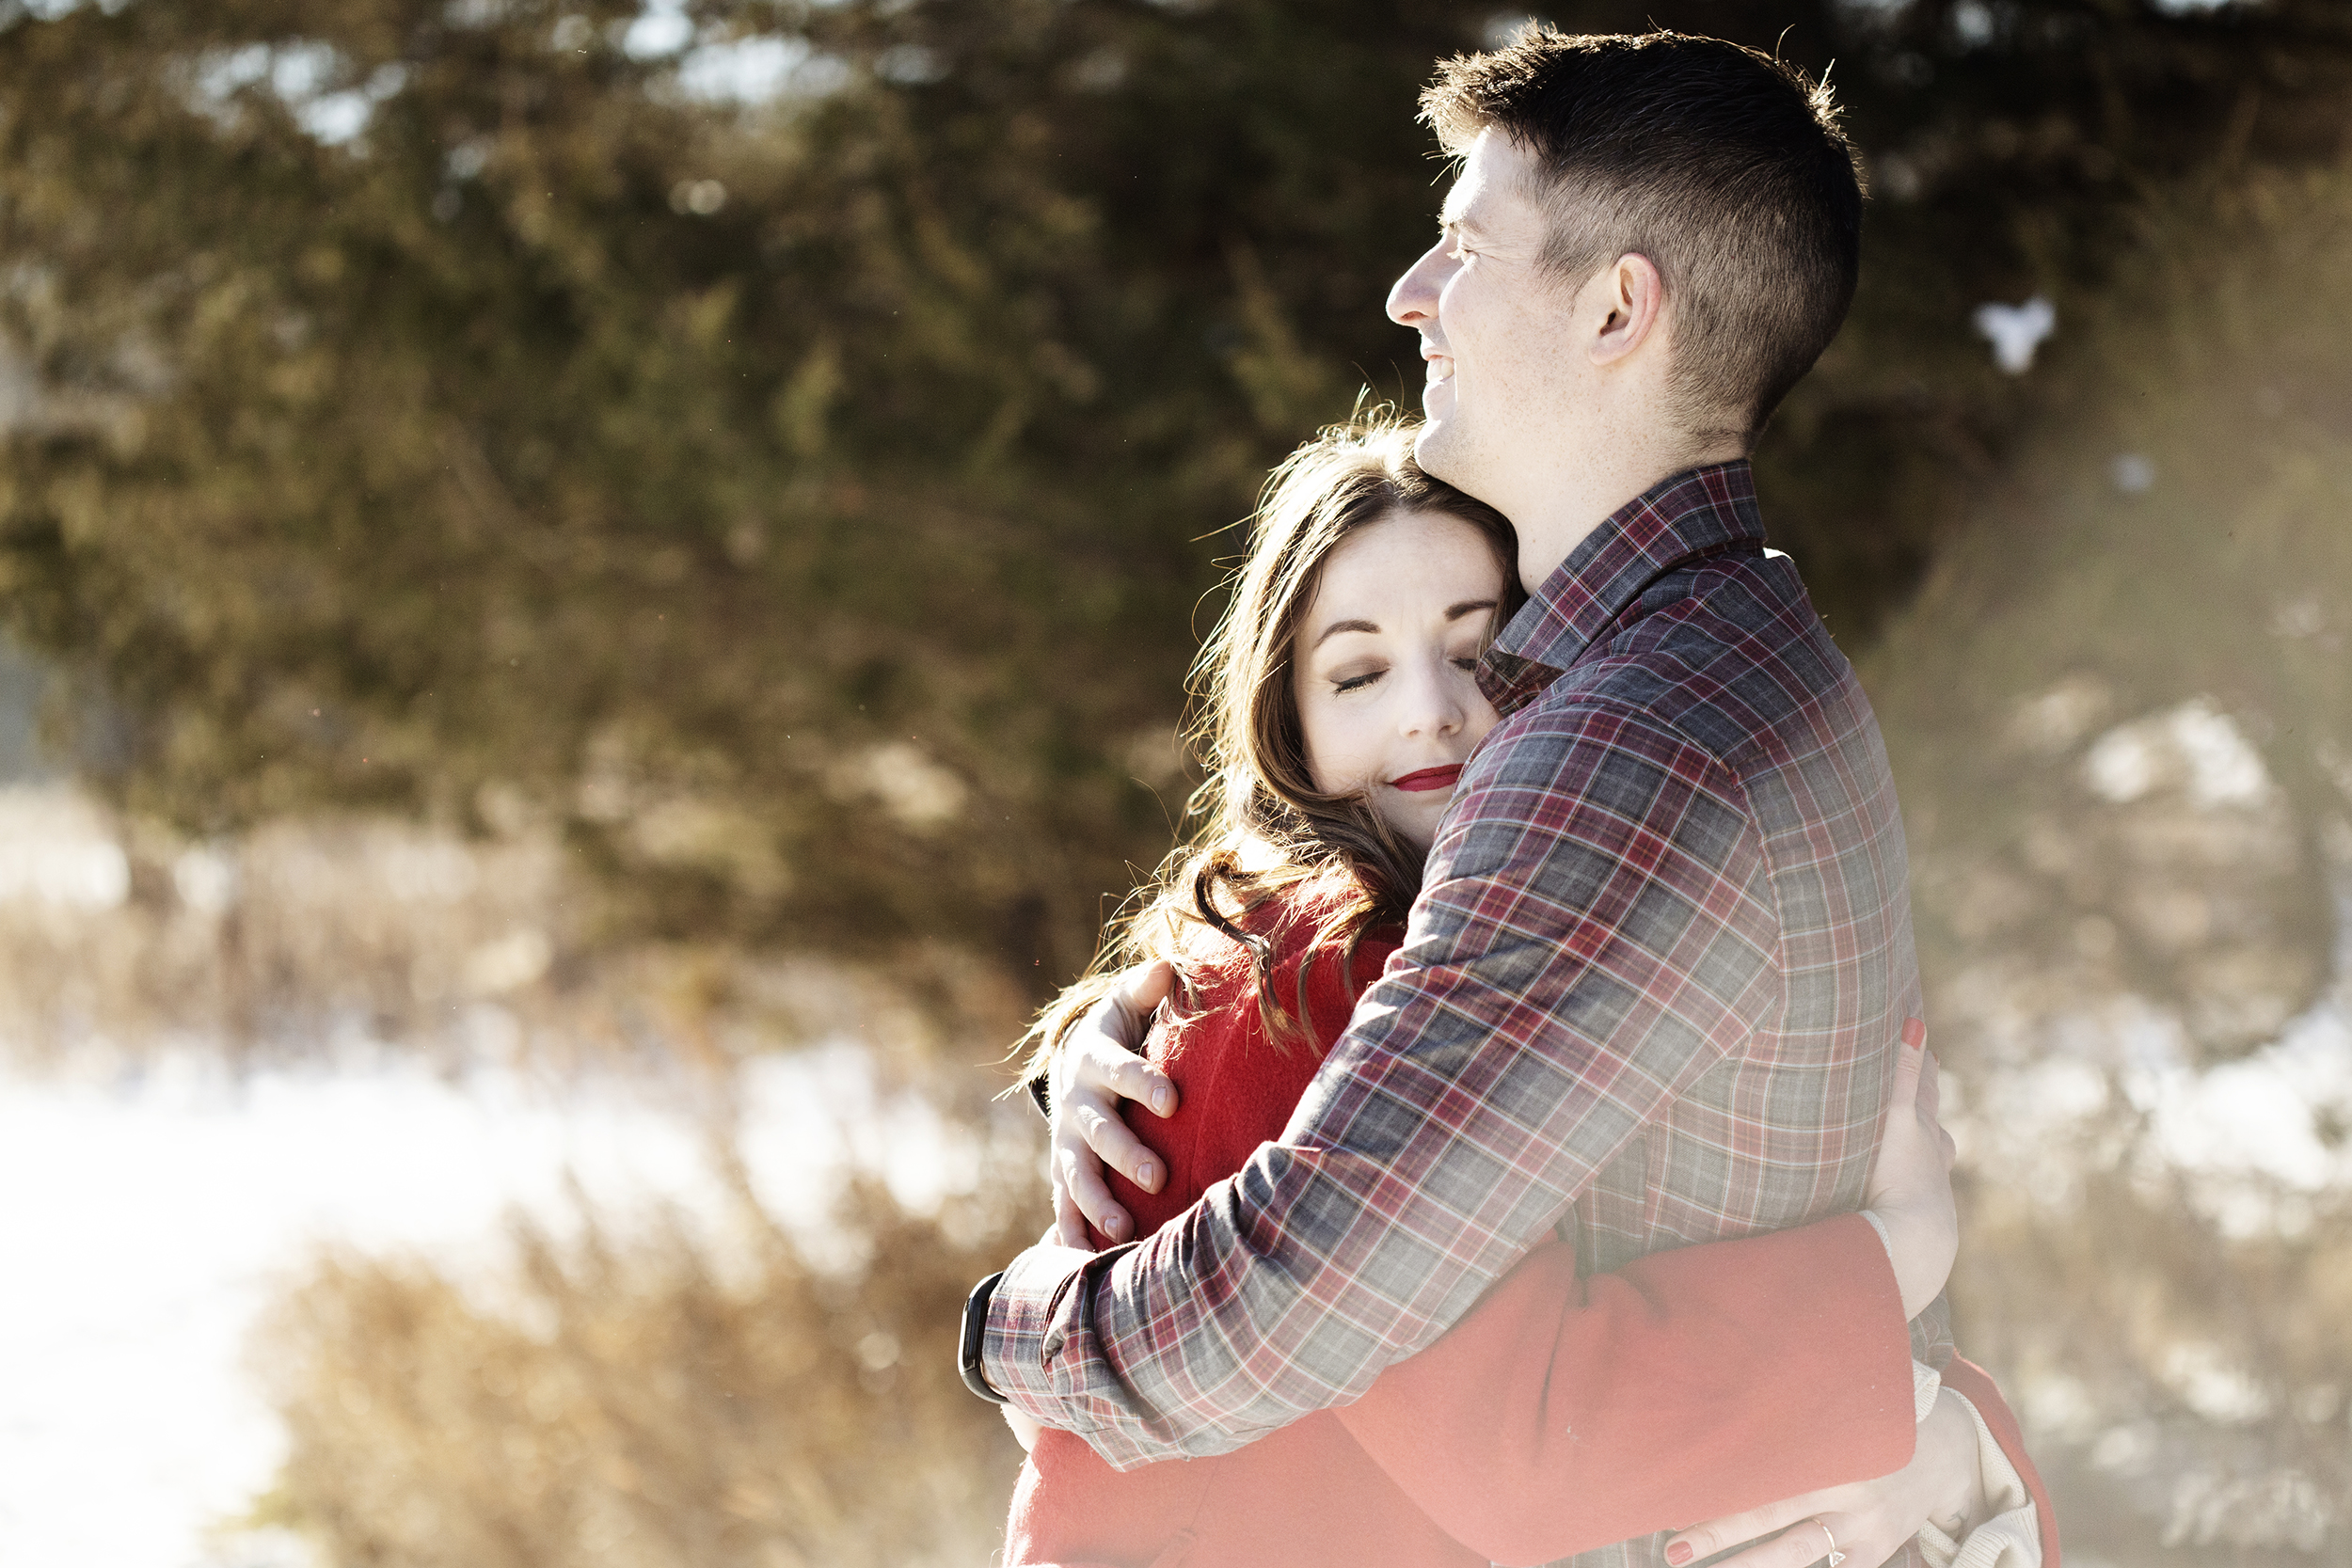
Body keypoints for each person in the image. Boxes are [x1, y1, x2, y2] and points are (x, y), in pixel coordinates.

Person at [970, 28, 2059, 1568]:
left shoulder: (1620, 750)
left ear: (1621, 306)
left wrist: (1008, 1329)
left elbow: (1303, 1299)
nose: (1413, 290)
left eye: (1467, 244)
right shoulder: (1774, 664)